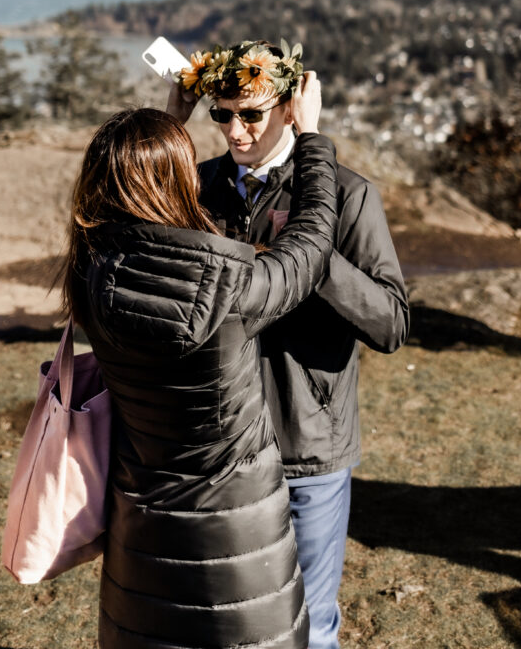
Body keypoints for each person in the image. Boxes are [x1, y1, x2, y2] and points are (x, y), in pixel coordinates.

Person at [62, 78, 339, 649]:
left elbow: (146, 204)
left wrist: (168, 124)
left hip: (142, 532)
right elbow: (308, 249)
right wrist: (311, 136)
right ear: (177, 180)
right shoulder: (226, 284)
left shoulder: (90, 271)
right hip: (239, 544)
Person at [168, 40, 409, 649]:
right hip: (220, 444)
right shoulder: (194, 189)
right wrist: (171, 121)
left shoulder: (348, 196)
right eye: (221, 114)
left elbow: (390, 324)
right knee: (226, 613)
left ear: (291, 108)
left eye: (251, 113)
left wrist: (310, 252)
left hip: (307, 440)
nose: (236, 131)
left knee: (309, 622)